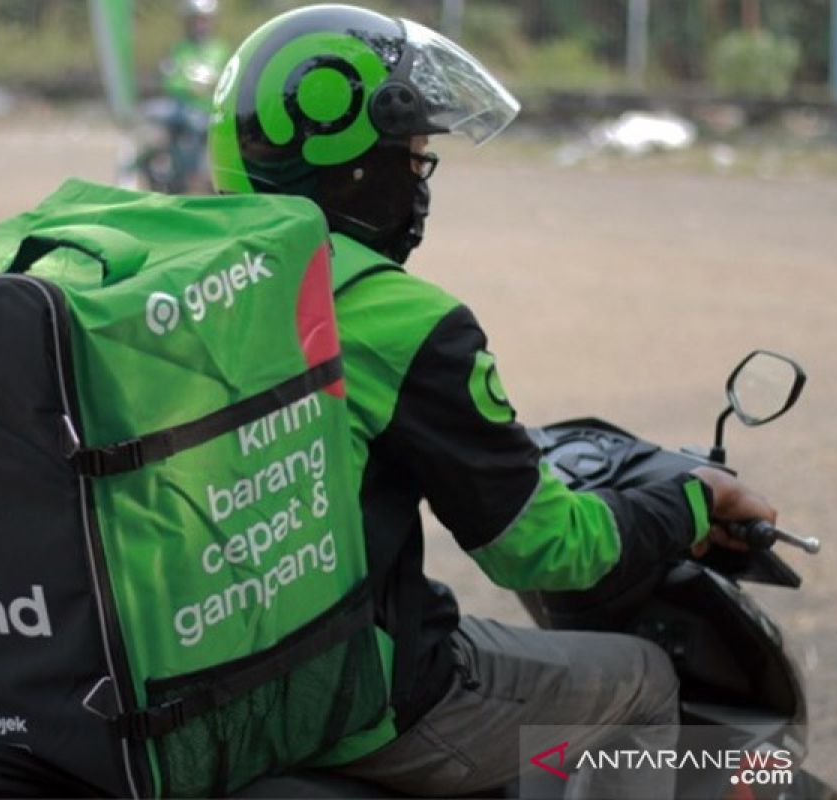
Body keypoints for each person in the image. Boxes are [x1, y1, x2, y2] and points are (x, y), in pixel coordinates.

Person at [208, 5, 776, 796]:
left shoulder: (183, 289)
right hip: (349, 705)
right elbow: (540, 551)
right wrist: (687, 503)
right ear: (355, 163)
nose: (420, 180)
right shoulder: (396, 320)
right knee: (644, 678)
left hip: (190, 684)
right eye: (413, 158)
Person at [144, 0, 229, 193]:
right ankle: (163, 170)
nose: (199, 25)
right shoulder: (179, 49)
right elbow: (170, 81)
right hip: (182, 107)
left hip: (210, 110)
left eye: (203, 20)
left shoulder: (220, 49)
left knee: (198, 126)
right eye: (195, 20)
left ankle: (203, 176)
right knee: (153, 119)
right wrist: (189, 87)